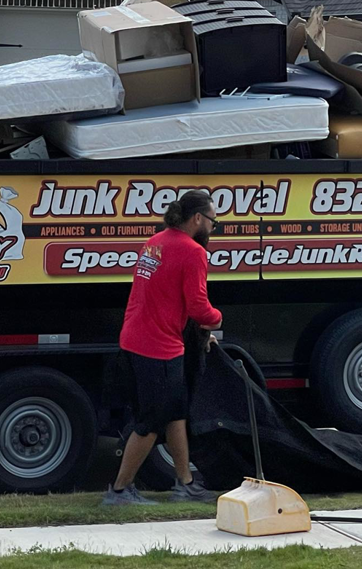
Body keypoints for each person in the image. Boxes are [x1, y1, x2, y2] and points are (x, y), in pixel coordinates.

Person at [102, 190, 223, 506]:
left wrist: (196, 334)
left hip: (136, 339)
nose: (213, 228)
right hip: (157, 348)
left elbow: (164, 297)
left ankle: (185, 484)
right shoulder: (193, 252)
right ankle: (118, 492)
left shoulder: (154, 242)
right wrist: (216, 320)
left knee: (176, 414)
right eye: (213, 221)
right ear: (197, 219)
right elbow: (198, 306)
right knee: (151, 422)